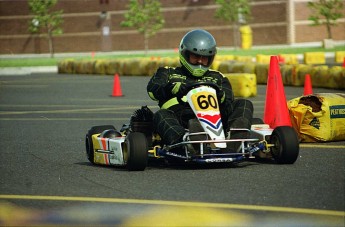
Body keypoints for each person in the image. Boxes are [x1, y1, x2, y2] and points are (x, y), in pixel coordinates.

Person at [147, 29, 253, 152]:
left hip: (215, 119)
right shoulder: (168, 73)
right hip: (181, 118)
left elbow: (229, 101)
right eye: (195, 56)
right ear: (185, 54)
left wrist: (221, 96)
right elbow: (152, 91)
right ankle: (187, 142)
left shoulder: (218, 77)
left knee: (244, 104)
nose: (200, 61)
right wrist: (172, 88)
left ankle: (236, 139)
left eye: (205, 58)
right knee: (160, 115)